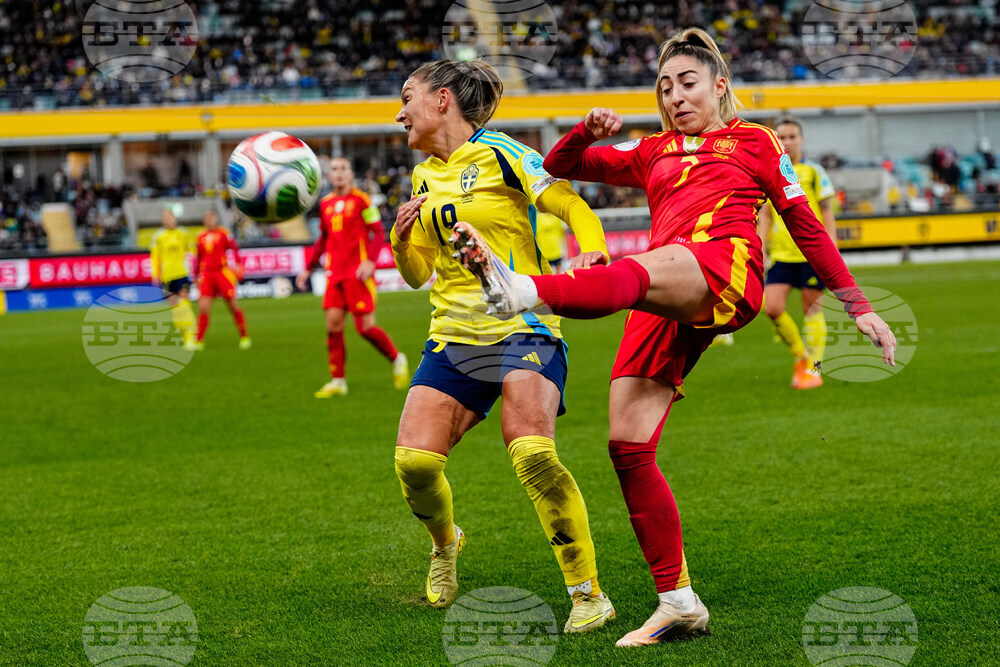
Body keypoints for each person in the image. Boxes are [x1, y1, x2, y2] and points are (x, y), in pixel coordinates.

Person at [454, 28, 897, 647]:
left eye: (687, 83)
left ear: (719, 86)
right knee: (627, 445)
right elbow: (559, 166)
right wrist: (587, 130)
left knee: (632, 273)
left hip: (725, 265)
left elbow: (805, 223)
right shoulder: (652, 148)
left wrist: (857, 304)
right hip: (667, 285)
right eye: (664, 87)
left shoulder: (757, 141)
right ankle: (679, 602)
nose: (675, 96)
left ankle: (521, 291)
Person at [390, 59, 617, 633]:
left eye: (407, 98)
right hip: (455, 336)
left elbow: (570, 204)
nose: (399, 112)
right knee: (415, 464)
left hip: (524, 325)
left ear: (442, 100)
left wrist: (590, 249)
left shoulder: (503, 152)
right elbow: (417, 275)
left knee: (533, 453)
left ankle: (588, 594)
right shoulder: (421, 178)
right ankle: (446, 543)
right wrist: (398, 240)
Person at [295, 157, 410, 397]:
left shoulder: (362, 200)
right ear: (329, 176)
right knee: (333, 327)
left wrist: (369, 261)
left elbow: (378, 233)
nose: (338, 173)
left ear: (350, 174)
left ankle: (397, 358)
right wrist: (308, 267)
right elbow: (323, 239)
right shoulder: (325, 203)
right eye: (334, 169)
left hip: (357, 273)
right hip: (334, 273)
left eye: (343, 169)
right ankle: (338, 381)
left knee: (365, 328)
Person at [756, 117, 838, 389]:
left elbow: (826, 209)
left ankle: (815, 369)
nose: (787, 142)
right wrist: (759, 246)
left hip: (811, 253)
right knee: (772, 308)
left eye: (792, 137)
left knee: (812, 310)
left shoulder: (814, 171)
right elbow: (766, 214)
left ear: (801, 139)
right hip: (781, 255)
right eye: (782, 137)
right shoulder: (770, 170)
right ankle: (801, 357)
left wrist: (832, 247)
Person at [191, 209, 250, 351]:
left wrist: (238, 264)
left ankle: (244, 336)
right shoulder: (200, 236)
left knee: (233, 306)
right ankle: (199, 340)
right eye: (206, 217)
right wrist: (196, 275)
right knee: (203, 308)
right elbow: (198, 258)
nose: (209, 219)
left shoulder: (223, 233)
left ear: (215, 218)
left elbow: (234, 249)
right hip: (207, 275)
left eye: (211, 217)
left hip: (221, 273)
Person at [150, 207, 195, 345]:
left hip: (181, 272)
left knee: (184, 304)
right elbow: (155, 256)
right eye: (164, 218)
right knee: (175, 308)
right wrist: (155, 274)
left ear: (174, 218)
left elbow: (192, 251)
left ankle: (190, 336)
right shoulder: (158, 236)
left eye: (169, 217)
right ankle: (183, 331)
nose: (167, 220)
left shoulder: (183, 233)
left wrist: (197, 269)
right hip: (167, 276)